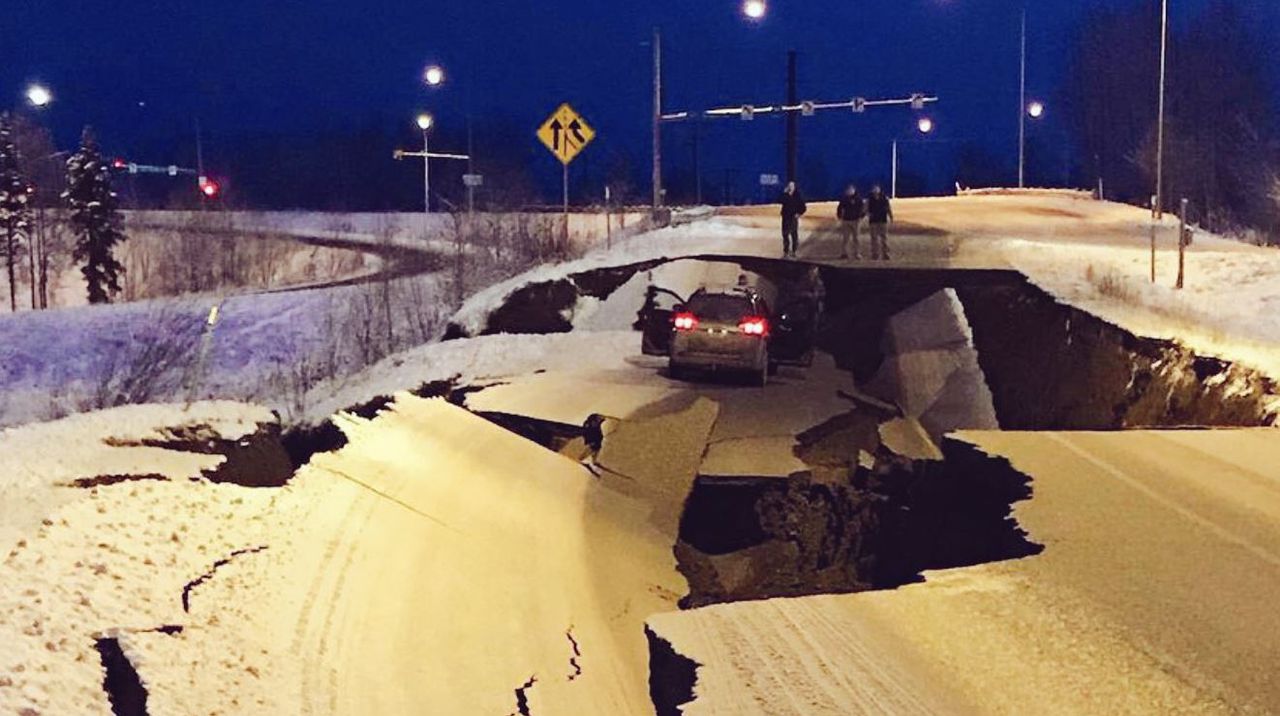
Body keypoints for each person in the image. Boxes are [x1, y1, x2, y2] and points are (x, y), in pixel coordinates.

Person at [835, 184, 865, 260]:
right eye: (848, 190)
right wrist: (840, 217)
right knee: (845, 238)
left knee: (856, 238)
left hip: (856, 221)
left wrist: (861, 216)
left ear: (854, 190)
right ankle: (844, 253)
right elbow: (840, 208)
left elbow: (862, 208)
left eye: (851, 190)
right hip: (846, 220)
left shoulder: (858, 199)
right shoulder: (844, 199)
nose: (849, 191)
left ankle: (857, 253)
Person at [779, 181, 806, 258]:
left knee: (794, 235)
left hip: (793, 218)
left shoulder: (798, 196)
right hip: (786, 218)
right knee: (785, 235)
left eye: (792, 186)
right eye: (789, 186)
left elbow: (803, 207)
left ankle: (794, 251)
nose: (790, 187)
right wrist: (784, 193)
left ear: (794, 187)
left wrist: (799, 214)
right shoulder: (785, 196)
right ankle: (786, 251)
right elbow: (779, 200)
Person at [866, 185, 893, 261]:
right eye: (874, 190)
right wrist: (868, 214)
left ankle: (886, 254)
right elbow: (866, 209)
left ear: (879, 190)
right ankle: (875, 254)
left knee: (884, 238)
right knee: (874, 239)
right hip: (873, 221)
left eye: (877, 189)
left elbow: (888, 208)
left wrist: (891, 216)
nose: (876, 191)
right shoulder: (870, 199)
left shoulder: (884, 198)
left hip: (883, 220)